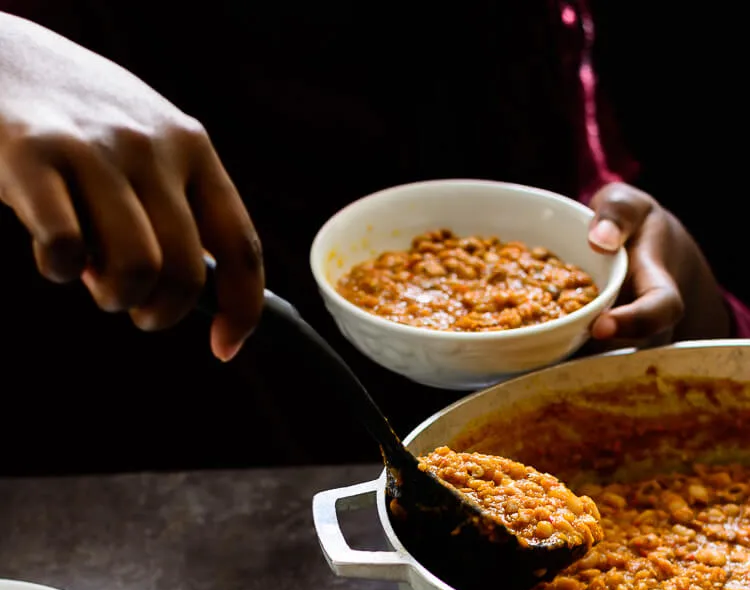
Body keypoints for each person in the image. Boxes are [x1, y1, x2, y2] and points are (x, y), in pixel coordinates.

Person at [0, 4, 747, 475]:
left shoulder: (520, 34)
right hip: (106, 497)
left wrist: (687, 302)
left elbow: (596, 193)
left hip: (508, 487)